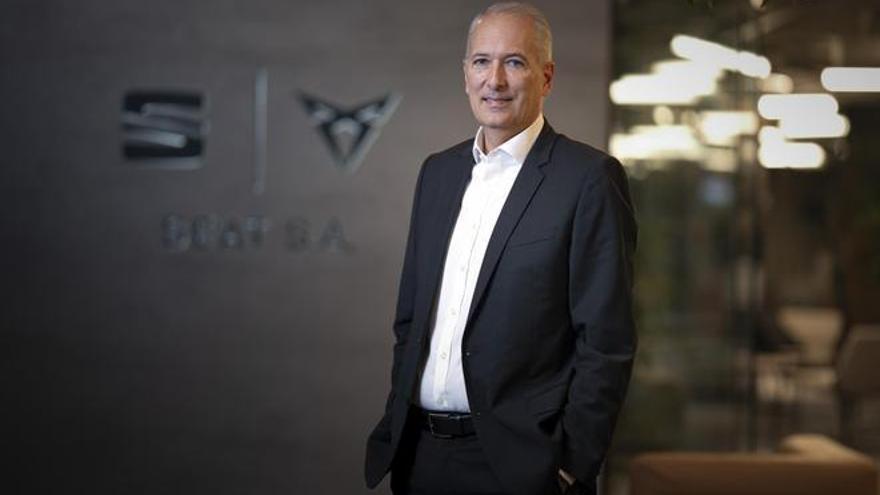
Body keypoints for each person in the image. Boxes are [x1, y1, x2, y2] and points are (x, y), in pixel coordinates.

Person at [365, 3, 637, 495]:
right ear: (465, 74)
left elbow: (606, 340)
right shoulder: (438, 173)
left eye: (514, 62)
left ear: (546, 77)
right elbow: (411, 319)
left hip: (522, 468)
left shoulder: (587, 179)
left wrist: (571, 464)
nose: (495, 80)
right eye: (481, 62)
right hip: (420, 456)